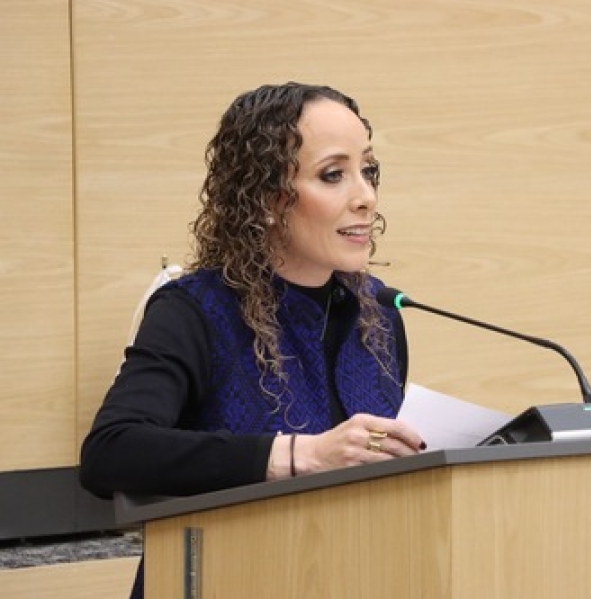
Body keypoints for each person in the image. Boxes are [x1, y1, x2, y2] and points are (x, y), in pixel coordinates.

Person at [79, 82, 425, 598]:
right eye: (333, 174)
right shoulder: (194, 310)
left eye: (368, 170)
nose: (366, 197)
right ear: (266, 199)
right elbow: (111, 452)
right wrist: (300, 455)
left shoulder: (379, 312)